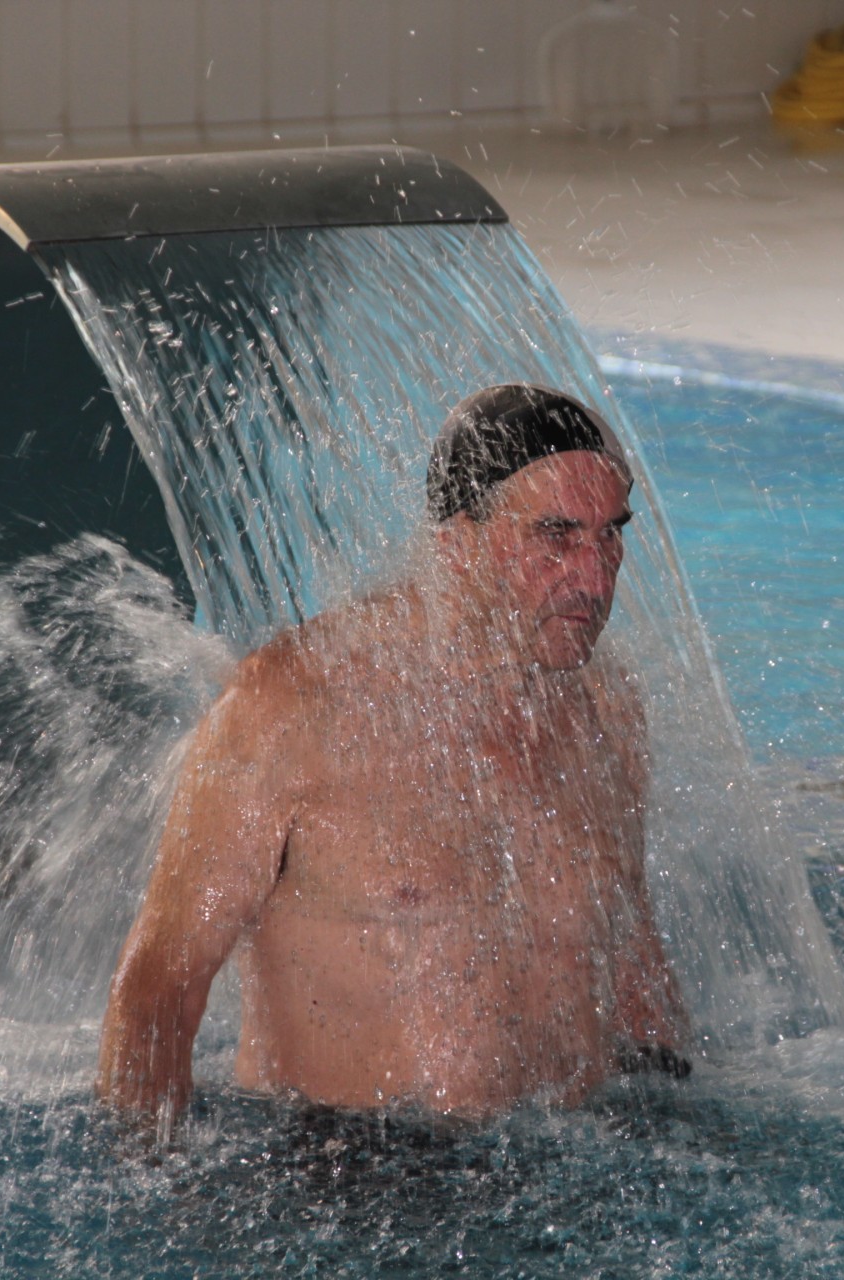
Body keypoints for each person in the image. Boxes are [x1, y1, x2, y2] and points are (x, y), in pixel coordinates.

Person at [97, 383, 686, 1125]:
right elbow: (161, 987)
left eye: (611, 535)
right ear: (456, 545)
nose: (596, 579)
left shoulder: (604, 711)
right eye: (557, 537)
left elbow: (631, 956)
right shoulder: (293, 707)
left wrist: (681, 1121)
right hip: (351, 1174)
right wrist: (152, 1185)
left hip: (568, 1163)